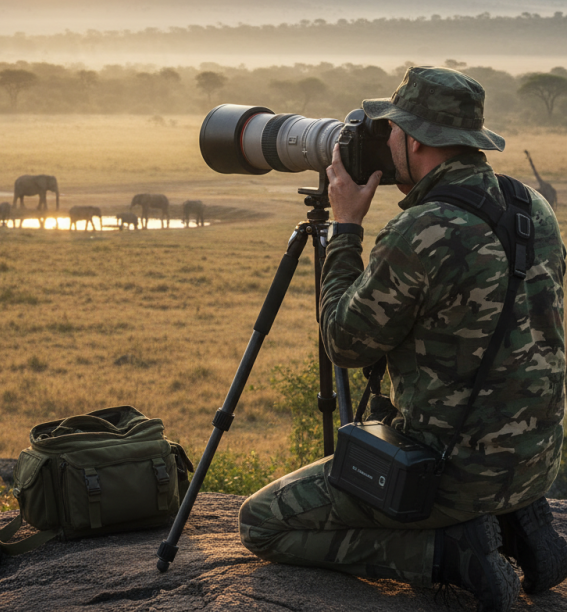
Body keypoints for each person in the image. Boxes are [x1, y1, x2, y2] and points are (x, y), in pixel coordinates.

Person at [239, 67, 566, 612]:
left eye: (391, 129)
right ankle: (516, 525)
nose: (385, 138)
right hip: (534, 462)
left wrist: (345, 228)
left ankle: (448, 554)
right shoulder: (533, 207)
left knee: (260, 524)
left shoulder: (424, 229)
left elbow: (345, 344)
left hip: (448, 475)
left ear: (414, 140)